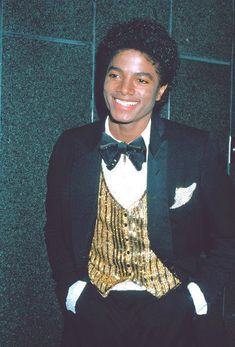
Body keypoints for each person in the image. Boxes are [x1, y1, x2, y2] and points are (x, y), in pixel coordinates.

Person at [44, 19, 235, 347]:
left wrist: (192, 297)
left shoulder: (196, 148)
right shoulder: (71, 146)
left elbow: (228, 235)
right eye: (115, 74)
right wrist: (74, 292)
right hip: (94, 314)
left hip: (174, 315)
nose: (124, 90)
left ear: (161, 91)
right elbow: (56, 229)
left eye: (141, 80)